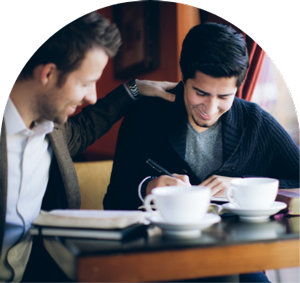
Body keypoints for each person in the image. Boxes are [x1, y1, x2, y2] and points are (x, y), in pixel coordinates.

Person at [104, 22, 300, 283]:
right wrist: (148, 188)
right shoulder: (144, 116)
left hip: (235, 257)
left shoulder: (255, 122)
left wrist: (244, 186)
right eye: (200, 93)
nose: (210, 107)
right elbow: (113, 201)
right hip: (159, 260)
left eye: (224, 97)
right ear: (184, 77)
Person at [0, 11, 177, 283]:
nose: (92, 97)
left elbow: (85, 128)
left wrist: (135, 89)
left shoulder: (52, 131)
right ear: (47, 74)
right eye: (86, 82)